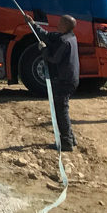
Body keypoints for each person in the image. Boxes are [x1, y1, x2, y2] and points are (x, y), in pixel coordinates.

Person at [36, 15, 79, 152]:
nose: (58, 24)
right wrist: (33, 24)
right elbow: (48, 35)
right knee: (62, 108)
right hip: (71, 79)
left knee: (61, 110)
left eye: (61, 22)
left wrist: (43, 50)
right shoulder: (70, 37)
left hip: (65, 80)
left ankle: (66, 142)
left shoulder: (64, 41)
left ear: (66, 25)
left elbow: (54, 59)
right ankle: (71, 138)